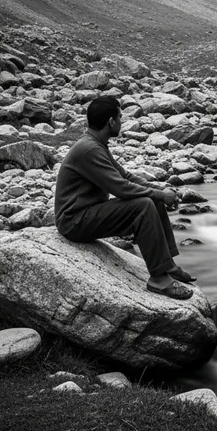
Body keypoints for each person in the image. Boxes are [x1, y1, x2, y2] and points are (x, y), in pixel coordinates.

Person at [54, 95, 195, 299]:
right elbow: (121, 188)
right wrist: (159, 194)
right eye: (120, 117)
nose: (122, 121)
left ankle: (168, 265)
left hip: (86, 213)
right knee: (144, 205)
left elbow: (125, 176)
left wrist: (160, 191)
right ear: (111, 122)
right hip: (73, 221)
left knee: (152, 199)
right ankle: (158, 278)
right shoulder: (90, 149)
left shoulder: (96, 143)